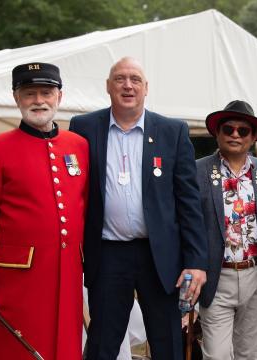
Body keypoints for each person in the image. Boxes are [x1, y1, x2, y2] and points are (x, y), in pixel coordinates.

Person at [69, 56, 207, 360]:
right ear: (108, 87)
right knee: (103, 342)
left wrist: (196, 260)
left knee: (167, 343)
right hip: (106, 254)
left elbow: (189, 202)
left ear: (146, 88)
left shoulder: (172, 131)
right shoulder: (83, 128)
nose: (127, 85)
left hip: (159, 256)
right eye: (119, 79)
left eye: (134, 79)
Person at [0, 62, 89, 360]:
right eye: (29, 93)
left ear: (59, 97)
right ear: (16, 98)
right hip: (19, 278)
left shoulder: (79, 146)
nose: (38, 100)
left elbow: (85, 207)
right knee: (16, 349)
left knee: (65, 347)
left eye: (46, 92)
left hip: (68, 272)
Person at [197, 100, 257, 359]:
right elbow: (188, 227)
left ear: (253, 137)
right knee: (216, 355)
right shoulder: (198, 171)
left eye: (243, 130)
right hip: (217, 276)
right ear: (217, 133)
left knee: (249, 354)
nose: (235, 135)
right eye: (228, 129)